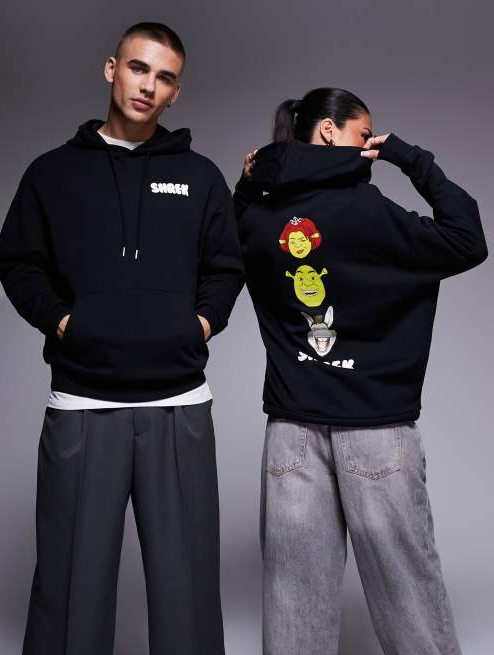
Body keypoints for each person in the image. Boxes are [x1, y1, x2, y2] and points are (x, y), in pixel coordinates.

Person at [0, 21, 244, 655]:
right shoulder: (52, 173)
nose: (147, 86)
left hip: (179, 405)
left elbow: (226, 267)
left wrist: (199, 324)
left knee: (187, 590)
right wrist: (65, 322)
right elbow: (17, 260)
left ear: (176, 92)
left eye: (164, 77)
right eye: (138, 68)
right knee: (71, 586)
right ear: (112, 68)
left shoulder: (200, 176)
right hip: (82, 401)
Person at [233, 87, 488, 655]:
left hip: (291, 431)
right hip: (376, 427)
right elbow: (467, 239)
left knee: (293, 602)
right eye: (363, 133)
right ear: (329, 131)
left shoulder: (261, 215)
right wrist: (407, 156)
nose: (369, 144)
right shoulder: (370, 211)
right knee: (409, 596)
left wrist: (250, 183)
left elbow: (220, 246)